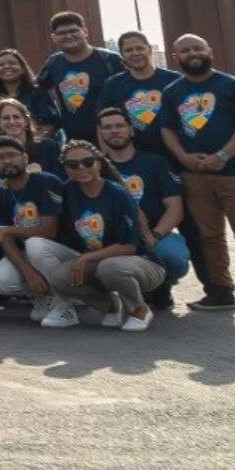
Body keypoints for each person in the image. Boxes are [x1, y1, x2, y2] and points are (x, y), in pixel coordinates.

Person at [159, 33, 235, 316]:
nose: (192, 54)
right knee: (209, 235)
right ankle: (221, 292)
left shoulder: (233, 85)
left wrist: (222, 156)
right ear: (176, 57)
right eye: (185, 50)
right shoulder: (172, 91)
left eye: (197, 48)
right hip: (194, 174)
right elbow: (167, 129)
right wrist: (183, 157)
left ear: (210, 51)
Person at [28, 141, 162, 331]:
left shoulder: (118, 194)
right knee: (58, 277)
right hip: (97, 261)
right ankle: (111, 305)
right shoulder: (67, 192)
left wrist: (85, 258)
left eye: (88, 162)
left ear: (99, 163)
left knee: (109, 267)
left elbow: (129, 246)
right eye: (73, 165)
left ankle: (139, 309)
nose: (81, 167)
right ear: (66, 169)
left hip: (139, 262)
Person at [94, 106, 193, 305]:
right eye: (107, 127)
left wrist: (155, 236)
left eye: (120, 126)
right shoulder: (93, 168)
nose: (114, 131)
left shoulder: (156, 163)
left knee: (173, 258)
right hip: (115, 238)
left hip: (154, 233)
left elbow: (175, 209)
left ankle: (161, 284)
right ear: (101, 133)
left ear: (131, 130)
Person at [0, 136, 65, 321]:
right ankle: (41, 296)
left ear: (25, 157)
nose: (7, 161)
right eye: (0, 157)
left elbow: (48, 231)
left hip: (57, 251)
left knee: (36, 245)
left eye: (12, 155)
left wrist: (5, 229)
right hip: (28, 252)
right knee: (1, 281)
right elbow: (6, 240)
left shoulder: (46, 181)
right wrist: (28, 272)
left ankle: (64, 302)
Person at [38, 10, 125, 143]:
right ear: (53, 38)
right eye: (62, 33)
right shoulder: (53, 63)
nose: (68, 36)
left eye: (74, 31)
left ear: (85, 31)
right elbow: (36, 90)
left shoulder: (110, 60)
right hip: (74, 141)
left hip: (113, 139)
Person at [93, 31, 181, 154]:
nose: (135, 53)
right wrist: (108, 154)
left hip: (172, 154)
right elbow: (101, 122)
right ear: (122, 54)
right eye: (129, 50)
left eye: (140, 48)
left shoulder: (174, 80)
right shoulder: (113, 84)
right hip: (131, 155)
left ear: (149, 50)